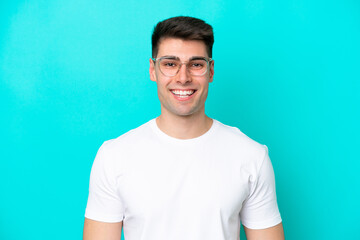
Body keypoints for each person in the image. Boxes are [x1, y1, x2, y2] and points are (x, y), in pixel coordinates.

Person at [83, 16, 284, 240]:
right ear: (153, 70)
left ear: (210, 71)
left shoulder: (251, 157)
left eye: (196, 64)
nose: (183, 77)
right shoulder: (114, 156)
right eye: (170, 64)